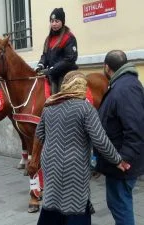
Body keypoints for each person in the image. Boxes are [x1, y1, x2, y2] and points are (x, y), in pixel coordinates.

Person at [35, 71, 129, 225]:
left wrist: (36, 159)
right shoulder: (85, 109)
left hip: (50, 163)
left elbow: (39, 135)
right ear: (82, 87)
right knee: (76, 202)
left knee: (52, 198)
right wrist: (117, 160)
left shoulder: (49, 106)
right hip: (74, 165)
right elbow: (100, 140)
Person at [95, 50, 144, 225]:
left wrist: (124, 159)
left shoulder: (125, 88)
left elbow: (135, 128)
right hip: (117, 162)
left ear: (106, 67)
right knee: (118, 204)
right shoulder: (122, 84)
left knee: (120, 206)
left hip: (122, 165)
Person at [35, 8, 78, 94]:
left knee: (58, 96)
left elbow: (70, 59)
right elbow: (45, 56)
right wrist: (40, 65)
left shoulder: (69, 37)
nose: (54, 24)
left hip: (64, 74)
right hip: (51, 73)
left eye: (57, 21)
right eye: (52, 21)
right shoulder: (48, 39)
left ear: (62, 22)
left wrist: (52, 69)